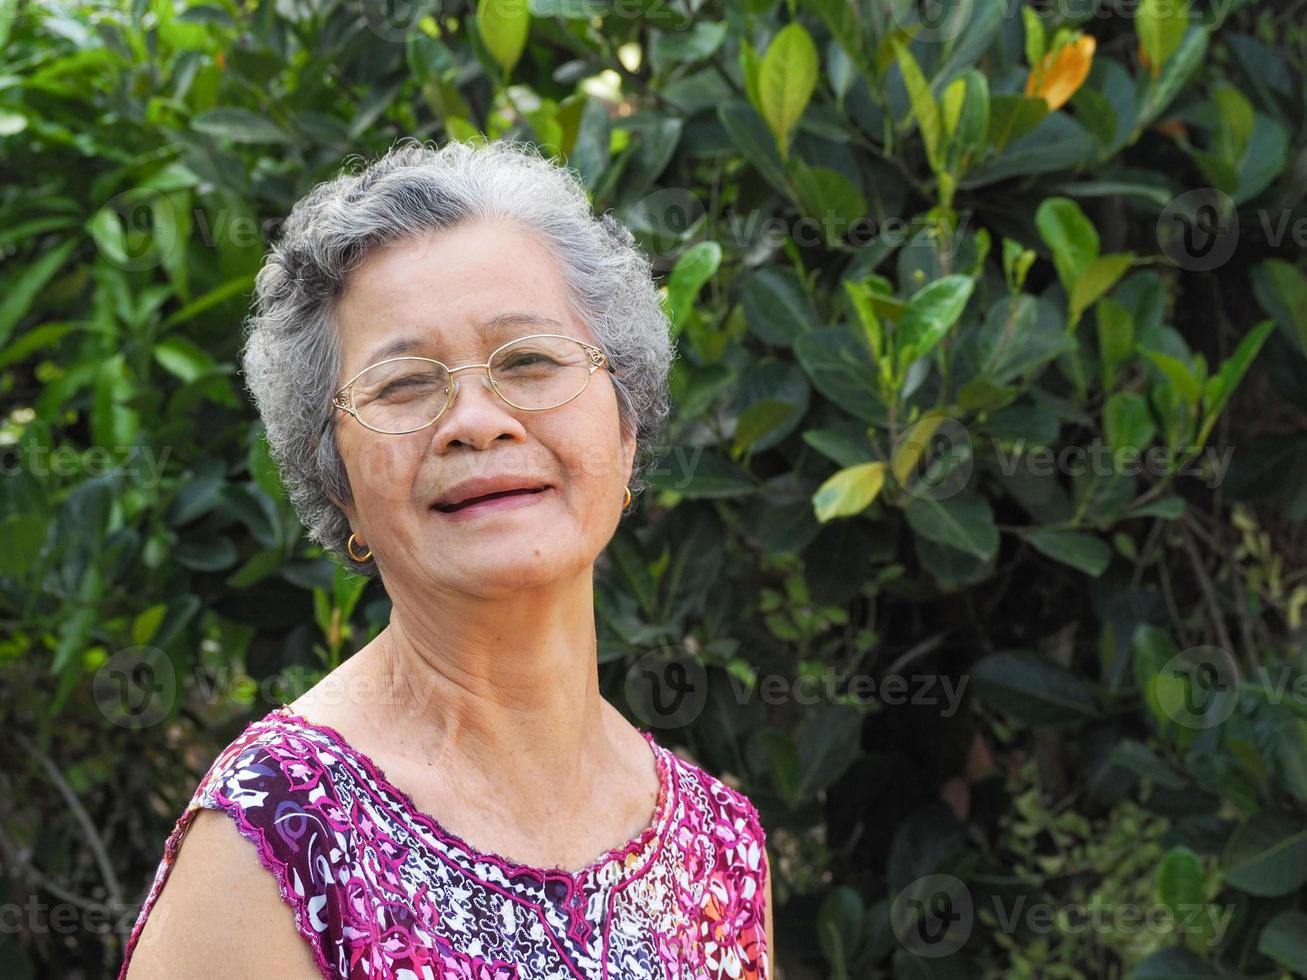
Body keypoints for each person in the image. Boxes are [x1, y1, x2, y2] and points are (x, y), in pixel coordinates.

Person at [119, 137, 772, 980]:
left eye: (530, 360)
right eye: (403, 385)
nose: (477, 420)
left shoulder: (717, 841)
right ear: (338, 484)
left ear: (625, 428)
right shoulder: (278, 839)